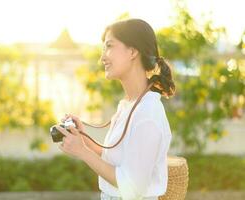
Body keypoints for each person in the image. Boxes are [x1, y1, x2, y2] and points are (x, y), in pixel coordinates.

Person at [56, 18, 175, 200]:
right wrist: (83, 138)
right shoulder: (129, 105)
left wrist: (82, 152)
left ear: (133, 51)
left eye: (109, 46)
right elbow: (117, 160)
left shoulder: (147, 114)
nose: (103, 57)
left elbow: (132, 187)